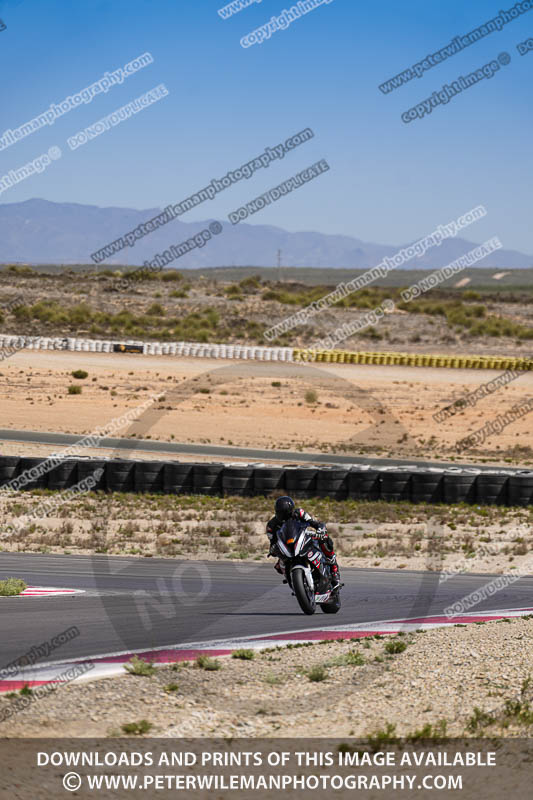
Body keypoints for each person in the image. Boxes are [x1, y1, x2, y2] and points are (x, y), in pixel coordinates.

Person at [266, 495, 341, 587]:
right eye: (281, 513)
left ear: (291, 510)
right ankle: (294, 582)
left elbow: (313, 522)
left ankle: (334, 569)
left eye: (287, 513)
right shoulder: (271, 525)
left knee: (325, 540)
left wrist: (320, 529)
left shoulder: (299, 513)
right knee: (279, 566)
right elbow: (272, 542)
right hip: (287, 547)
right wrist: (273, 549)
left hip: (302, 538)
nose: (284, 516)